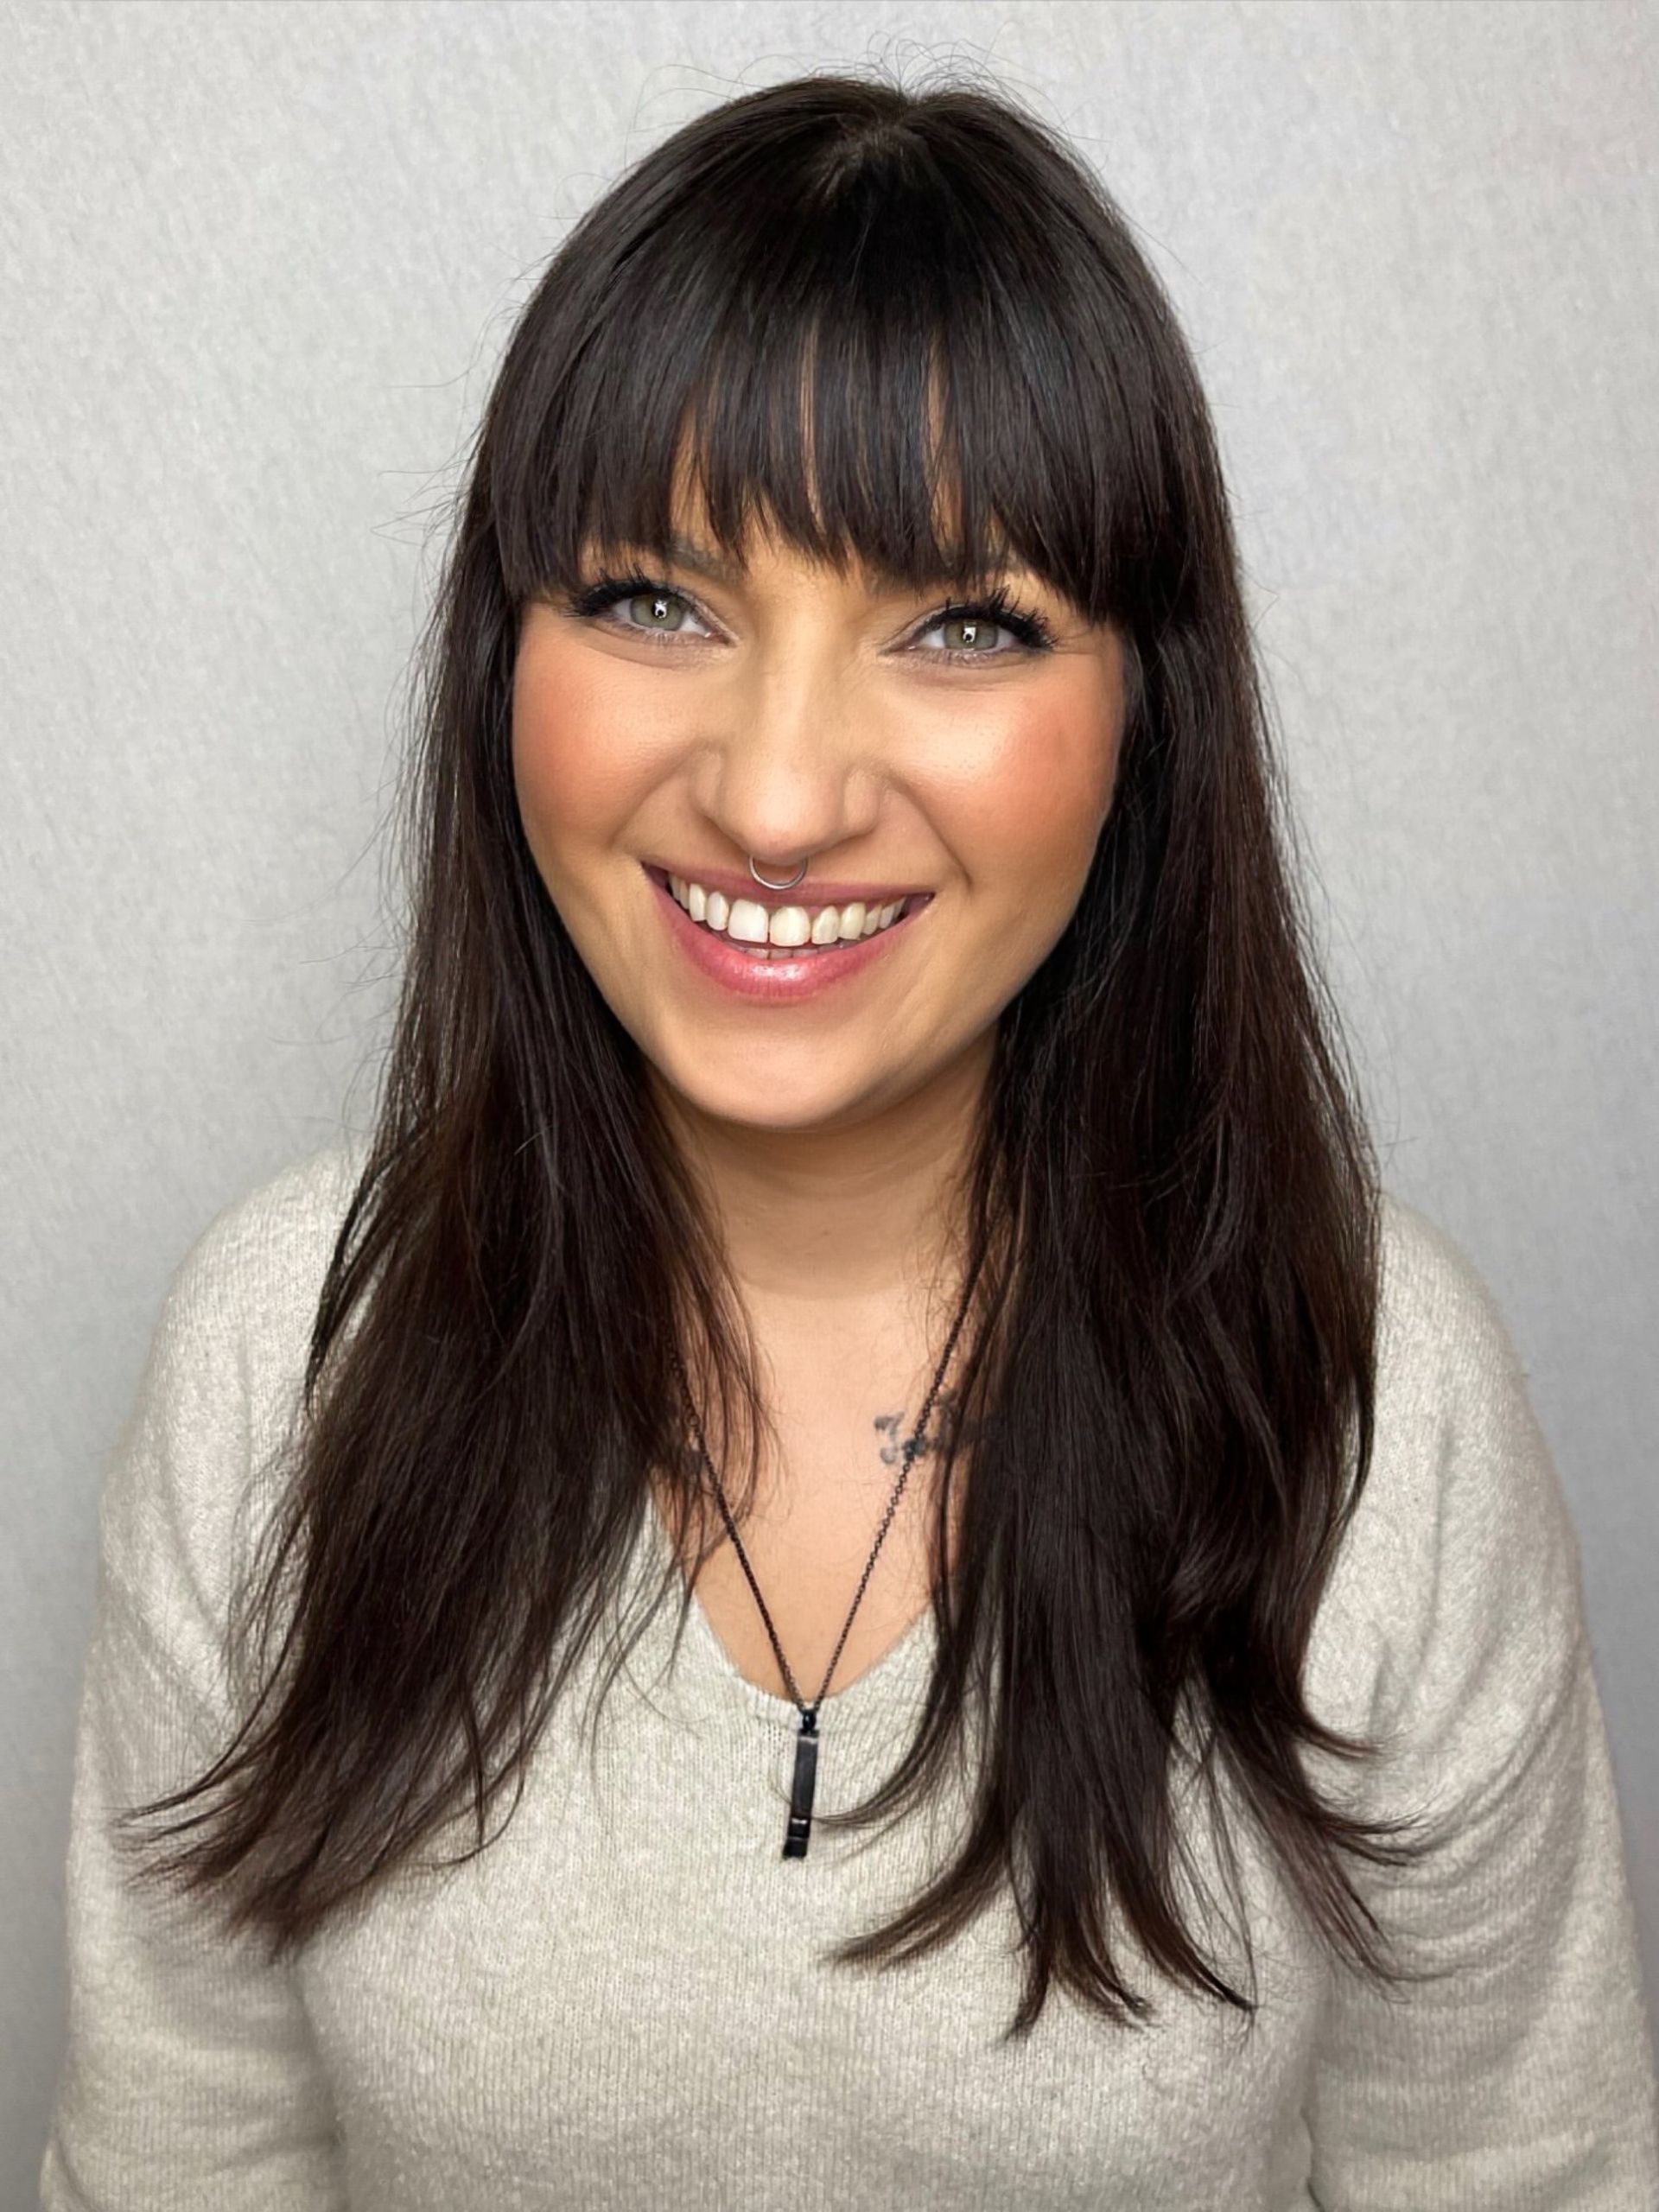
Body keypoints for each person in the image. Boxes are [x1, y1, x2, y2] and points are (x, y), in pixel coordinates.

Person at [40, 67, 1658, 2212]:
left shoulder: (1374, 1383)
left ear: (1141, 726)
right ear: (498, 659)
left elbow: (1517, 2173)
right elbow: (176, 2167)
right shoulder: (284, 1352)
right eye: (654, 600)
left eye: (964, 624)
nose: (780, 793)